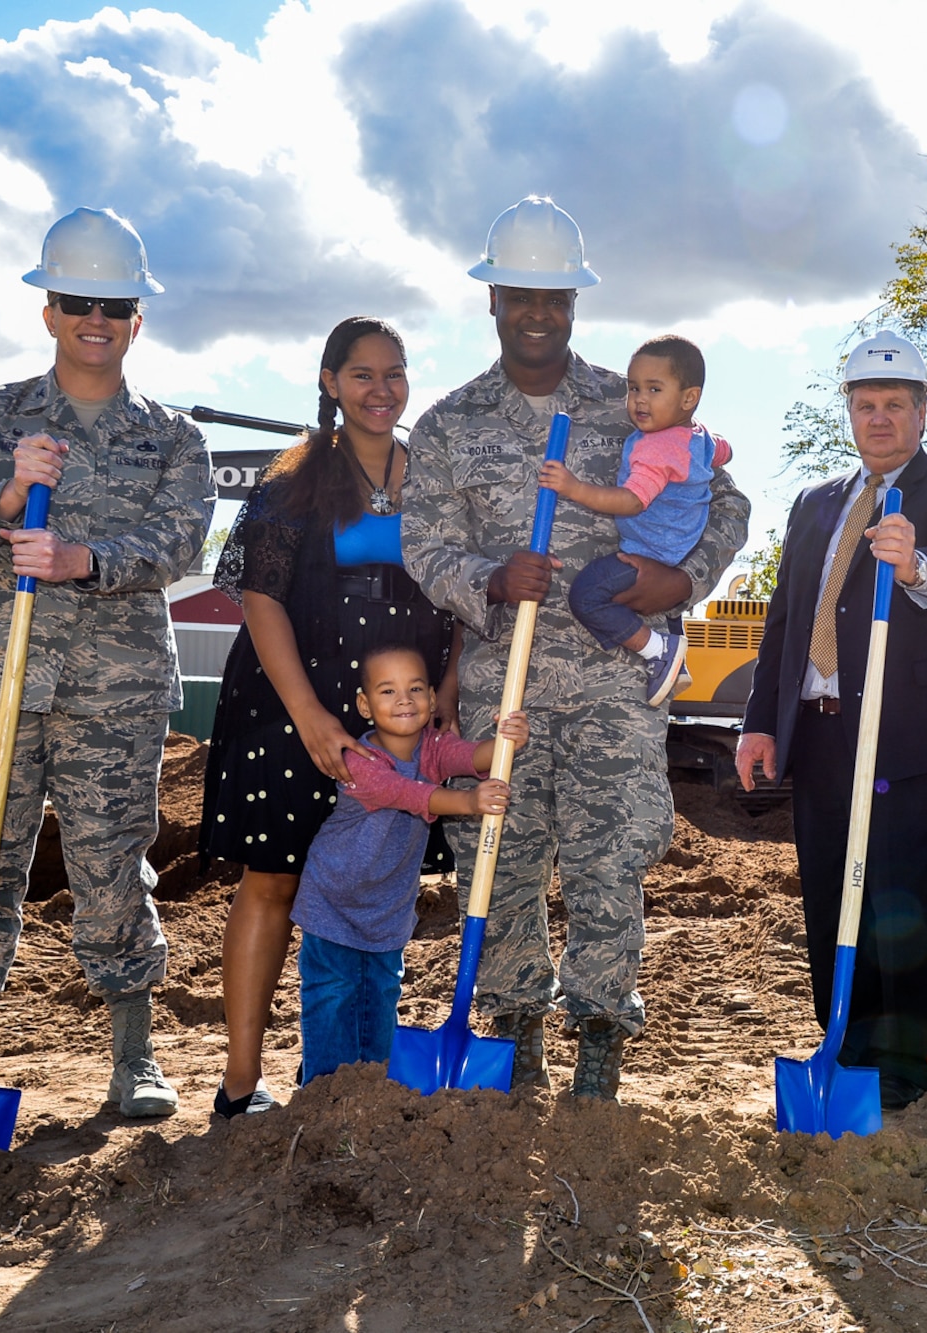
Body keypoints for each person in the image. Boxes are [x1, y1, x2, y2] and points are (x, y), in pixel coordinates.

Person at [402, 195, 749, 1101]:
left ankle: (600, 1035)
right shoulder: (448, 425)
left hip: (610, 681)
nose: (538, 310)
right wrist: (485, 576)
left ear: (574, 303)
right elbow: (424, 544)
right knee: (503, 860)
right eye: (522, 292)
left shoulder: (635, 402)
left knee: (607, 860)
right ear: (492, 298)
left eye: (555, 295)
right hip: (502, 684)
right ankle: (516, 1033)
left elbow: (730, 506)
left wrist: (680, 583)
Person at [0, 206, 214, 1118]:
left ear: (137, 319)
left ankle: (133, 1057)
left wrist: (88, 559)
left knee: (113, 864)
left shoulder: (172, 438)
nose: (96, 318)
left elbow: (182, 542)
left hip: (111, 695)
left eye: (115, 305)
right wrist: (4, 494)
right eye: (77, 300)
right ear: (48, 310)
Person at [735, 331, 927, 1112]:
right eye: (865, 405)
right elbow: (785, 619)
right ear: (849, 413)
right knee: (831, 888)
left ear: (922, 413)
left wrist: (916, 562)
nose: (879, 418)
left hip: (916, 730)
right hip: (821, 729)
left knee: (907, 894)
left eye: (894, 405)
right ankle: (844, 1042)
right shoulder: (818, 501)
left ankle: (908, 1060)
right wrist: (760, 720)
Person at [201, 316, 459, 1118]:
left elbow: (458, 592)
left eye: (395, 373)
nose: (381, 391)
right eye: (362, 375)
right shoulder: (296, 481)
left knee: (378, 878)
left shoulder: (435, 479)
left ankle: (357, 1077)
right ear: (329, 382)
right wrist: (310, 714)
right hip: (292, 711)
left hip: (401, 717)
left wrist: (445, 689)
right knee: (273, 880)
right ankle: (241, 1088)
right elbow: (257, 594)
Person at [293, 644, 526, 1086]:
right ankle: (322, 1088)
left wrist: (507, 741)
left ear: (433, 699)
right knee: (334, 992)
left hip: (387, 906)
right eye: (387, 691)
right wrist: (469, 802)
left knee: (379, 993)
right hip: (334, 899)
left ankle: (373, 1083)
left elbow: (473, 757)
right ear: (364, 705)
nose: (404, 699)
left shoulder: (433, 748)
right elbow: (413, 796)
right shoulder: (359, 762)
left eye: (415, 688)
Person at [538, 333, 733, 707]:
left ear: (689, 398)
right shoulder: (698, 436)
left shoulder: (657, 448)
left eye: (654, 389)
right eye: (633, 388)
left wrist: (574, 487)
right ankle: (673, 659)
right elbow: (722, 451)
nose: (640, 400)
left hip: (648, 555)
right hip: (676, 550)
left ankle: (659, 649)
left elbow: (632, 500)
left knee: (587, 595)